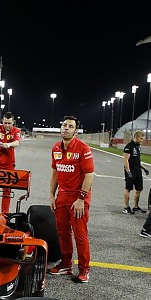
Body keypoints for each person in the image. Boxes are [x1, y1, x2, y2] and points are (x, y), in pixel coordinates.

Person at [49, 116, 95, 283]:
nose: (66, 128)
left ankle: (84, 270)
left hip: (78, 198)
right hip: (62, 197)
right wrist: (51, 195)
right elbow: (55, 173)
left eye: (70, 126)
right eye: (64, 125)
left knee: (80, 235)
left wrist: (81, 199)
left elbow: (89, 175)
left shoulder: (83, 148)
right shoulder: (55, 148)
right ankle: (66, 264)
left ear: (76, 131)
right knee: (62, 232)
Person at [122, 130, 148, 214]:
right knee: (128, 188)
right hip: (131, 170)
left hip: (138, 171)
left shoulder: (138, 147)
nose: (142, 140)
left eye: (142, 139)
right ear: (136, 137)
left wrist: (144, 168)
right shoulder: (128, 147)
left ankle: (135, 207)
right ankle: (126, 207)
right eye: (141, 139)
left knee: (139, 189)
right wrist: (128, 172)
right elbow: (126, 161)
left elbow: (137, 160)